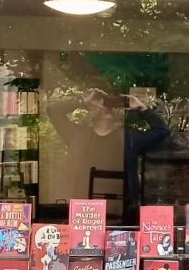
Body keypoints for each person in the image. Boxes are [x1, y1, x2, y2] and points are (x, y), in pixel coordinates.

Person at [46, 87, 170, 225]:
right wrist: (83, 102)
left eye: (101, 102)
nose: (94, 105)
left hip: (120, 214)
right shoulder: (78, 136)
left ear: (111, 110)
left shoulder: (129, 139)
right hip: (84, 212)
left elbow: (161, 130)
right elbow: (53, 111)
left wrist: (142, 109)